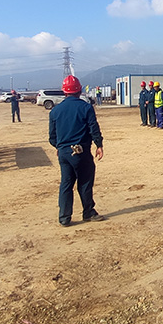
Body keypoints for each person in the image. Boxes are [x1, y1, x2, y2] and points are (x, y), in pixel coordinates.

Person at [49, 74, 105, 227]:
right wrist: (99, 145)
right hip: (81, 151)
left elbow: (52, 136)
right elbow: (93, 128)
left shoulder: (55, 111)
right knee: (85, 181)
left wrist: (59, 147)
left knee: (66, 184)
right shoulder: (86, 108)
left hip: (64, 153)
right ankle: (88, 212)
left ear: (64, 91)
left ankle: (64, 217)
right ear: (79, 90)